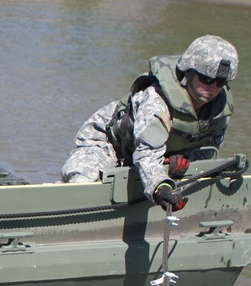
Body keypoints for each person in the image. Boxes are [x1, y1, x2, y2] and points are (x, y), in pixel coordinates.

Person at [61, 34, 239, 211]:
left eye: (220, 82)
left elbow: (206, 156)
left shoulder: (219, 112)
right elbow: (146, 152)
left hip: (156, 156)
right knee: (81, 183)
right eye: (206, 79)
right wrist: (160, 187)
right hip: (108, 145)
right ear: (188, 72)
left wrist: (181, 161)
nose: (213, 88)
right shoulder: (157, 100)